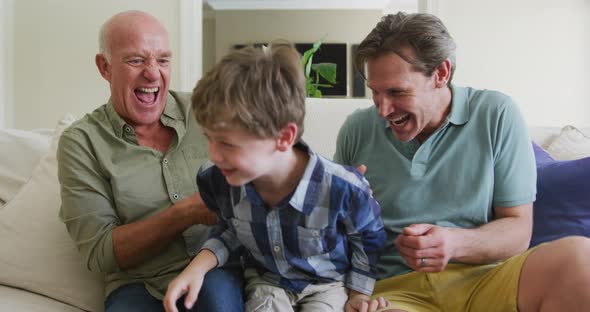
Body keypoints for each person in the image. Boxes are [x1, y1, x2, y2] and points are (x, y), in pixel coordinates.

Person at [334, 12, 590, 312]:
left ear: (441, 73)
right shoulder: (357, 130)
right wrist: (354, 293)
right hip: (395, 293)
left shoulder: (497, 114)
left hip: (487, 278)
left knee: (579, 258)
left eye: (396, 92)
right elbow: (336, 233)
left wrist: (454, 243)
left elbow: (519, 229)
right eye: (375, 93)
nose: (383, 109)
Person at [163, 41, 387, 312]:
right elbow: (229, 230)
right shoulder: (219, 180)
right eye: (209, 139)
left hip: (327, 285)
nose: (214, 154)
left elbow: (367, 239)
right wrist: (197, 268)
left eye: (228, 144)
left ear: (284, 138)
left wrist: (358, 293)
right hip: (267, 282)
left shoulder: (345, 189)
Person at [57, 11, 243, 312]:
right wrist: (186, 213)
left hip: (215, 269)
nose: (153, 73)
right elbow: (101, 253)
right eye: (136, 60)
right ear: (104, 67)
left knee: (215, 298)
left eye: (163, 60)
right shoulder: (82, 142)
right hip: (139, 286)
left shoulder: (206, 110)